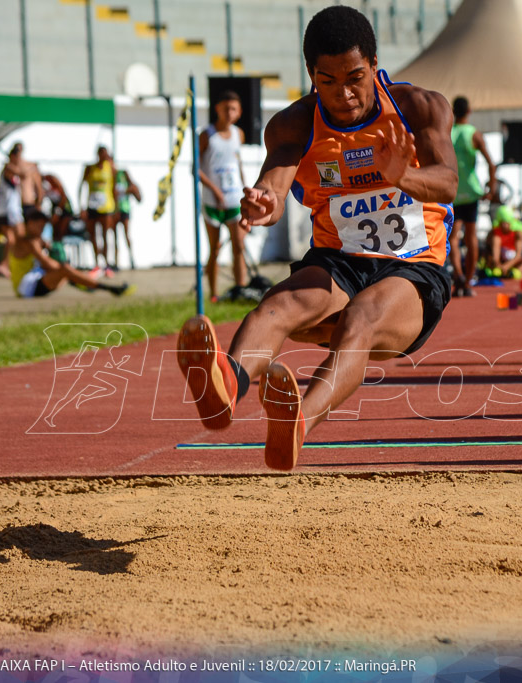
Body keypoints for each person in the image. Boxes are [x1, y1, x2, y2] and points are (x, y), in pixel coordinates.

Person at [175, 5, 456, 471]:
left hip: (413, 265)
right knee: (278, 305)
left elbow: (448, 183)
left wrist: (402, 174)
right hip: (338, 261)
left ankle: (297, 422)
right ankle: (226, 385)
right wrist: (263, 203)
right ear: (310, 75)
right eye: (327, 81)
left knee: (362, 318)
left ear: (374, 63)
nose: (343, 95)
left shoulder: (419, 107)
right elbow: (274, 184)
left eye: (355, 78)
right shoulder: (295, 124)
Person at [7, 208, 135, 299]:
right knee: (65, 270)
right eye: (40, 227)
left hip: (29, 284)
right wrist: (69, 270)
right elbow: (48, 264)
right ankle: (105, 287)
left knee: (66, 272)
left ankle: (82, 282)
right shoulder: (30, 242)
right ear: (30, 223)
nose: (41, 231)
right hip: (26, 288)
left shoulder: (31, 241)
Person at [199, 91, 249, 301]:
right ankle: (213, 293)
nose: (229, 113)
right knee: (215, 248)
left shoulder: (239, 134)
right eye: (225, 108)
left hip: (234, 199)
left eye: (233, 109)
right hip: (212, 201)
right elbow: (196, 168)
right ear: (217, 109)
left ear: (239, 112)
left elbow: (238, 163)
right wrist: (214, 189)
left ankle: (241, 289)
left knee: (239, 245)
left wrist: (246, 187)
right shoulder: (206, 134)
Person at [449, 95, 497, 297]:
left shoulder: (447, 133)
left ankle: (458, 275)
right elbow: (491, 163)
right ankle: (468, 282)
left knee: (452, 237)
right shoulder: (474, 134)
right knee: (471, 238)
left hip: (452, 191)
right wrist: (491, 188)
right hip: (470, 192)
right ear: (468, 111)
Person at [0, 143, 30, 278]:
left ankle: (8, 264)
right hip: (7, 210)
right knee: (15, 239)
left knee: (17, 238)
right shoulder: (9, 168)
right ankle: (5, 264)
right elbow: (24, 174)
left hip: (13, 209)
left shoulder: (12, 167)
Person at [80, 146, 117, 275]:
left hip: (107, 207)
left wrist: (116, 207)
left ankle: (107, 264)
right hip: (92, 206)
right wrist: (82, 206)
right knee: (93, 236)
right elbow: (82, 186)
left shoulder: (111, 168)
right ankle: (96, 263)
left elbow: (114, 188)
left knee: (106, 235)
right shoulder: (90, 168)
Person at [482, 204, 522, 278]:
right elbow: (493, 253)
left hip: (513, 262)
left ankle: (516, 272)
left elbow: (518, 255)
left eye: (506, 222)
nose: (504, 225)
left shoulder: (518, 233)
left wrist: (506, 266)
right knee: (492, 246)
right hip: (500, 262)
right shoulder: (495, 233)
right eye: (502, 222)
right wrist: (498, 265)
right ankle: (496, 270)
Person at [113, 168, 142, 270]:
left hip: (124, 209)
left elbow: (139, 198)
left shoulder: (124, 178)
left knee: (126, 235)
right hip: (115, 210)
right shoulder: (112, 176)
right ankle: (116, 262)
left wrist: (130, 190)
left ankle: (131, 259)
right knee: (115, 237)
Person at [41, 173, 74, 242]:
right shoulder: (40, 183)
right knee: (54, 231)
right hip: (54, 207)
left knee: (61, 231)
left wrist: (58, 212)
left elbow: (63, 196)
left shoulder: (51, 179)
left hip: (64, 207)